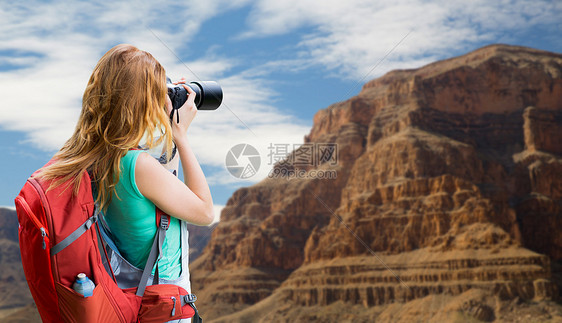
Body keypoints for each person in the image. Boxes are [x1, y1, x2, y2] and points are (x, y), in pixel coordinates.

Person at [38, 44, 214, 319]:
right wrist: (181, 135)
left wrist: (169, 130)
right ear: (141, 100)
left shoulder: (95, 160)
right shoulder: (139, 166)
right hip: (164, 309)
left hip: (129, 301)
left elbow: (164, 193)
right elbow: (204, 212)